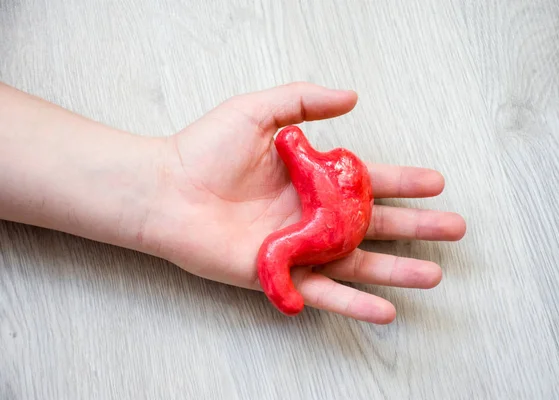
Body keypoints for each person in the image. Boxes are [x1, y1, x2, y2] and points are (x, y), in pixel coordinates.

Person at [0, 81, 466, 324]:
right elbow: (293, 145)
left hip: (334, 220)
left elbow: (293, 144)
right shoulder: (323, 179)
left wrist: (162, 185)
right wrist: (165, 183)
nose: (296, 148)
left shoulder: (324, 182)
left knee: (285, 245)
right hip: (331, 221)